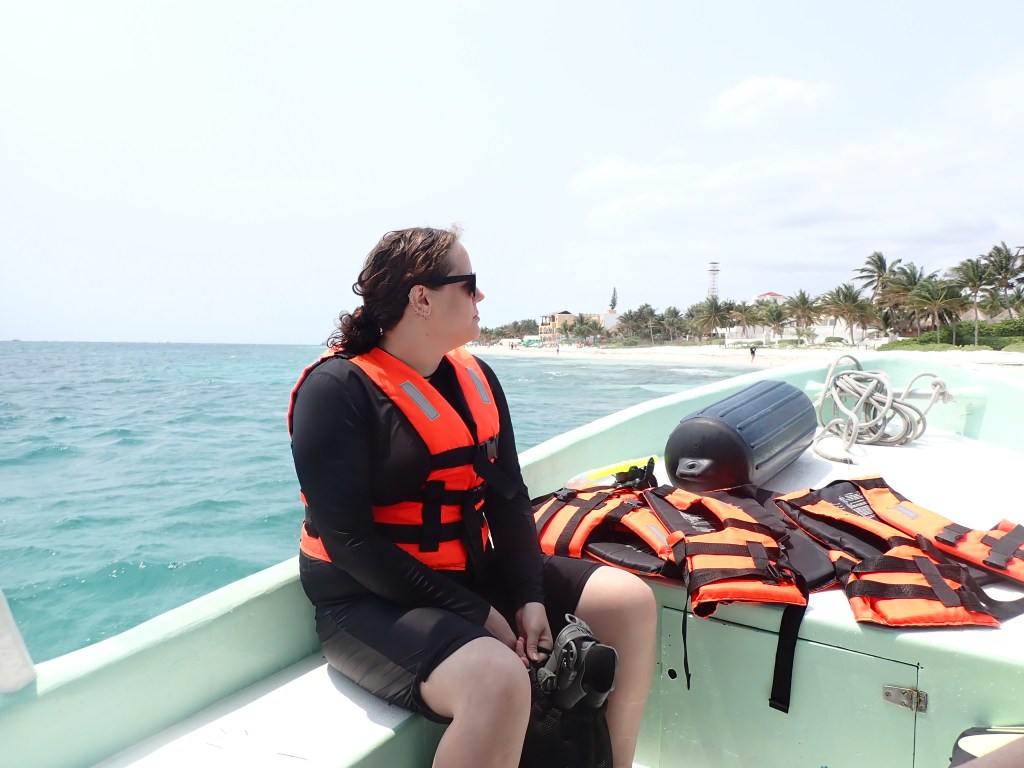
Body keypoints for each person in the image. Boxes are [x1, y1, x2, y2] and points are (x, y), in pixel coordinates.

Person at [288, 226, 656, 768]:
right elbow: (349, 543)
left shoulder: (476, 377)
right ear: (422, 298)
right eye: (469, 283)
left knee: (627, 602)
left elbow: (508, 499)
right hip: (365, 599)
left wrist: (529, 595)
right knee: (497, 680)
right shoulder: (336, 391)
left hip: (468, 572)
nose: (481, 296)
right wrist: (480, 613)